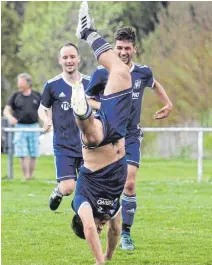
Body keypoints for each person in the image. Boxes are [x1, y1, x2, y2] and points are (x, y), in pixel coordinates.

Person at [85, 27, 173, 250]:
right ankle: (99, 219)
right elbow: (87, 99)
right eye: (119, 48)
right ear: (114, 49)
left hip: (131, 134)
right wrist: (107, 105)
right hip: (108, 134)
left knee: (130, 183)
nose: (123, 52)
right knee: (108, 183)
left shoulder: (143, 72)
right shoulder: (103, 72)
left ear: (134, 49)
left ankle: (125, 234)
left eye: (127, 48)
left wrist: (168, 103)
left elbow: (155, 83)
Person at [71, 1, 133, 264]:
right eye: (99, 229)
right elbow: (116, 230)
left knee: (91, 135)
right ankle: (87, 32)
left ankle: (81, 110)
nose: (98, 228)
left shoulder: (81, 204)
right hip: (117, 133)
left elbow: (87, 228)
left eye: (96, 230)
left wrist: (99, 262)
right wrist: (108, 255)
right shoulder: (110, 212)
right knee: (121, 71)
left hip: (97, 146)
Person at [38, 43, 90, 211]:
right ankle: (58, 191)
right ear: (59, 60)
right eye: (65, 57)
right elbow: (42, 108)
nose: (69, 60)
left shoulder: (90, 83)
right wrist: (46, 119)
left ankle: (84, 218)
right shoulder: (52, 85)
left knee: (88, 188)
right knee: (68, 187)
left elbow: (101, 106)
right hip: (63, 144)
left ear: (79, 59)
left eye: (72, 57)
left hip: (88, 144)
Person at [3, 73, 41, 180]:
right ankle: (25, 176)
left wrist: (48, 120)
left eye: (21, 81)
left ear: (28, 83)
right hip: (20, 127)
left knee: (34, 152)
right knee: (22, 152)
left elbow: (45, 109)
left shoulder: (37, 95)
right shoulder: (15, 96)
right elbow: (6, 110)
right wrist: (10, 117)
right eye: (18, 81)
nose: (19, 83)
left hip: (34, 127)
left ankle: (30, 176)